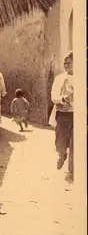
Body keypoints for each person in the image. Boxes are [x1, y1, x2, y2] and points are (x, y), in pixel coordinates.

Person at [50, 51, 73, 180]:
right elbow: (54, 97)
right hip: (63, 114)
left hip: (77, 115)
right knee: (61, 142)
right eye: (64, 63)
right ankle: (62, 154)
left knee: (76, 143)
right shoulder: (59, 79)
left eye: (68, 63)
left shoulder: (82, 77)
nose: (66, 65)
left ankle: (72, 170)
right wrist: (62, 99)